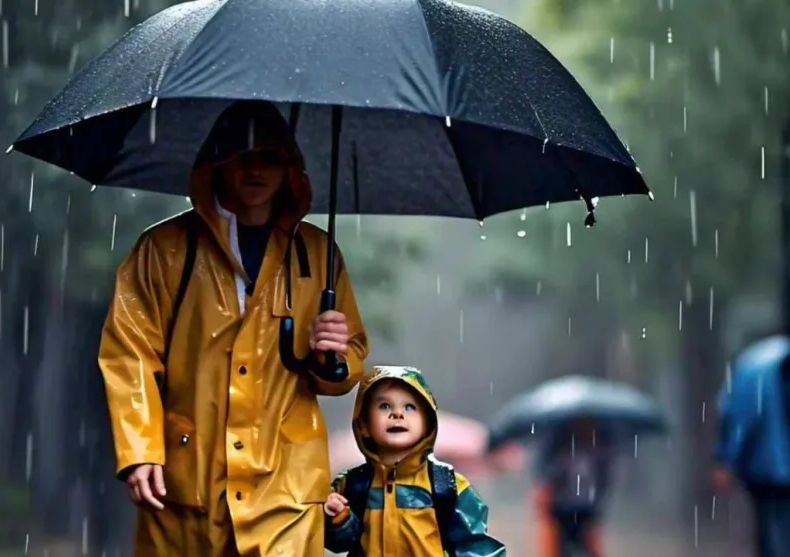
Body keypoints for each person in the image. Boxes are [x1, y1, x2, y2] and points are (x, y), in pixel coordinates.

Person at [98, 100, 370, 557]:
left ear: (290, 170)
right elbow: (129, 353)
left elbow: (346, 364)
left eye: (270, 158)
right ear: (216, 163)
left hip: (286, 482)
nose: (256, 169)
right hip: (189, 481)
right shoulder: (165, 250)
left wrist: (333, 355)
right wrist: (140, 448)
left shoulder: (318, 255)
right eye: (243, 155)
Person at [323, 365, 507, 556]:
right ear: (364, 425)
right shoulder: (353, 485)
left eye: (409, 407)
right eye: (384, 406)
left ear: (427, 421)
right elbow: (338, 542)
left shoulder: (447, 486)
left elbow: (476, 546)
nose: (397, 414)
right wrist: (339, 519)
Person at [712, 335, 790, 557]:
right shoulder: (763, 369)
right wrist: (726, 460)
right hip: (771, 469)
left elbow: (738, 418)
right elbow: (741, 419)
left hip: (770, 469)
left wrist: (726, 459)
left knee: (773, 533)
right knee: (774, 531)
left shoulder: (757, 366)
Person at [532, 418, 612, 557]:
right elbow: (546, 473)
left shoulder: (599, 448)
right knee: (560, 548)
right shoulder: (558, 445)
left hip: (586, 508)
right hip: (562, 507)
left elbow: (603, 478)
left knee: (588, 546)